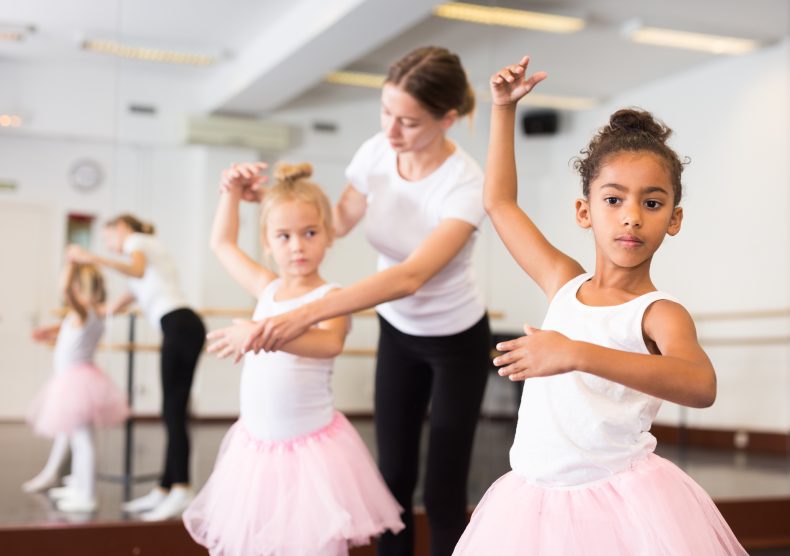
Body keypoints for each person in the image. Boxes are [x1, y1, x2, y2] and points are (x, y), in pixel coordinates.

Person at [452, 56, 746, 555]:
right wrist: (502, 110)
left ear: (673, 220)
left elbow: (701, 386)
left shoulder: (658, 311)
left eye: (651, 204)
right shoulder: (562, 281)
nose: (631, 217)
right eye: (614, 200)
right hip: (533, 500)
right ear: (584, 211)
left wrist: (576, 353)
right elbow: (500, 203)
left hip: (620, 506)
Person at [209, 46, 491, 556]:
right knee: (394, 478)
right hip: (399, 333)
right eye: (386, 112)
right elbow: (332, 224)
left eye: (408, 121)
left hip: (456, 339)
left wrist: (302, 313)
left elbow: (412, 276)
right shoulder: (376, 153)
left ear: (448, 119)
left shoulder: (466, 184)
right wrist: (272, 206)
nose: (392, 132)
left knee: (445, 488)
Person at [187, 161, 403, 556]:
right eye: (283, 236)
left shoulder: (333, 297)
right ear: (268, 242)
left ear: (329, 236)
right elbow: (222, 243)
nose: (298, 246)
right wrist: (231, 192)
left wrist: (262, 334)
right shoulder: (265, 288)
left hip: (310, 453)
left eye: (309, 233)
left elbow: (328, 344)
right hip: (256, 449)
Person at [68, 214, 206, 521]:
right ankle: (165, 488)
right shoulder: (147, 254)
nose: (109, 245)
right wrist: (70, 323)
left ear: (121, 229)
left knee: (173, 411)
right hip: (180, 325)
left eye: (108, 238)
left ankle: (182, 488)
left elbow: (137, 267)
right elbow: (115, 305)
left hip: (180, 324)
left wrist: (90, 256)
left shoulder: (137, 242)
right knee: (170, 410)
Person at [24, 257, 129, 512]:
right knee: (77, 438)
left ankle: (87, 494)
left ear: (78, 287)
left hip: (76, 383)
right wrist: (51, 332)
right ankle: (79, 486)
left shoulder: (85, 311)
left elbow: (63, 290)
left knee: (83, 441)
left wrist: (71, 262)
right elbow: (70, 330)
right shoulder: (88, 314)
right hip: (78, 380)